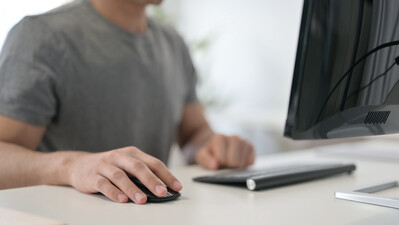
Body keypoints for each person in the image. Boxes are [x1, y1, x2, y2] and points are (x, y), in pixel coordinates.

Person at [0, 0, 255, 204]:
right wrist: (72, 166)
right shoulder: (40, 37)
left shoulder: (172, 43)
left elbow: (194, 135)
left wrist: (213, 148)